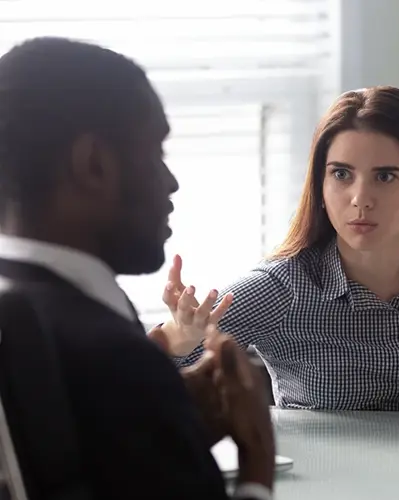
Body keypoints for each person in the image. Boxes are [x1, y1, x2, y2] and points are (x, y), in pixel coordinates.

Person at [0, 37, 275, 500]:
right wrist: (257, 459)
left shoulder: (30, 315)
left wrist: (170, 420)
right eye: (156, 152)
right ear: (94, 165)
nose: (170, 182)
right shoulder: (117, 359)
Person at [156, 86, 399, 413]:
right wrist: (180, 340)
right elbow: (139, 377)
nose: (360, 199)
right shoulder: (281, 288)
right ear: (320, 186)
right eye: (341, 175)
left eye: (384, 177)